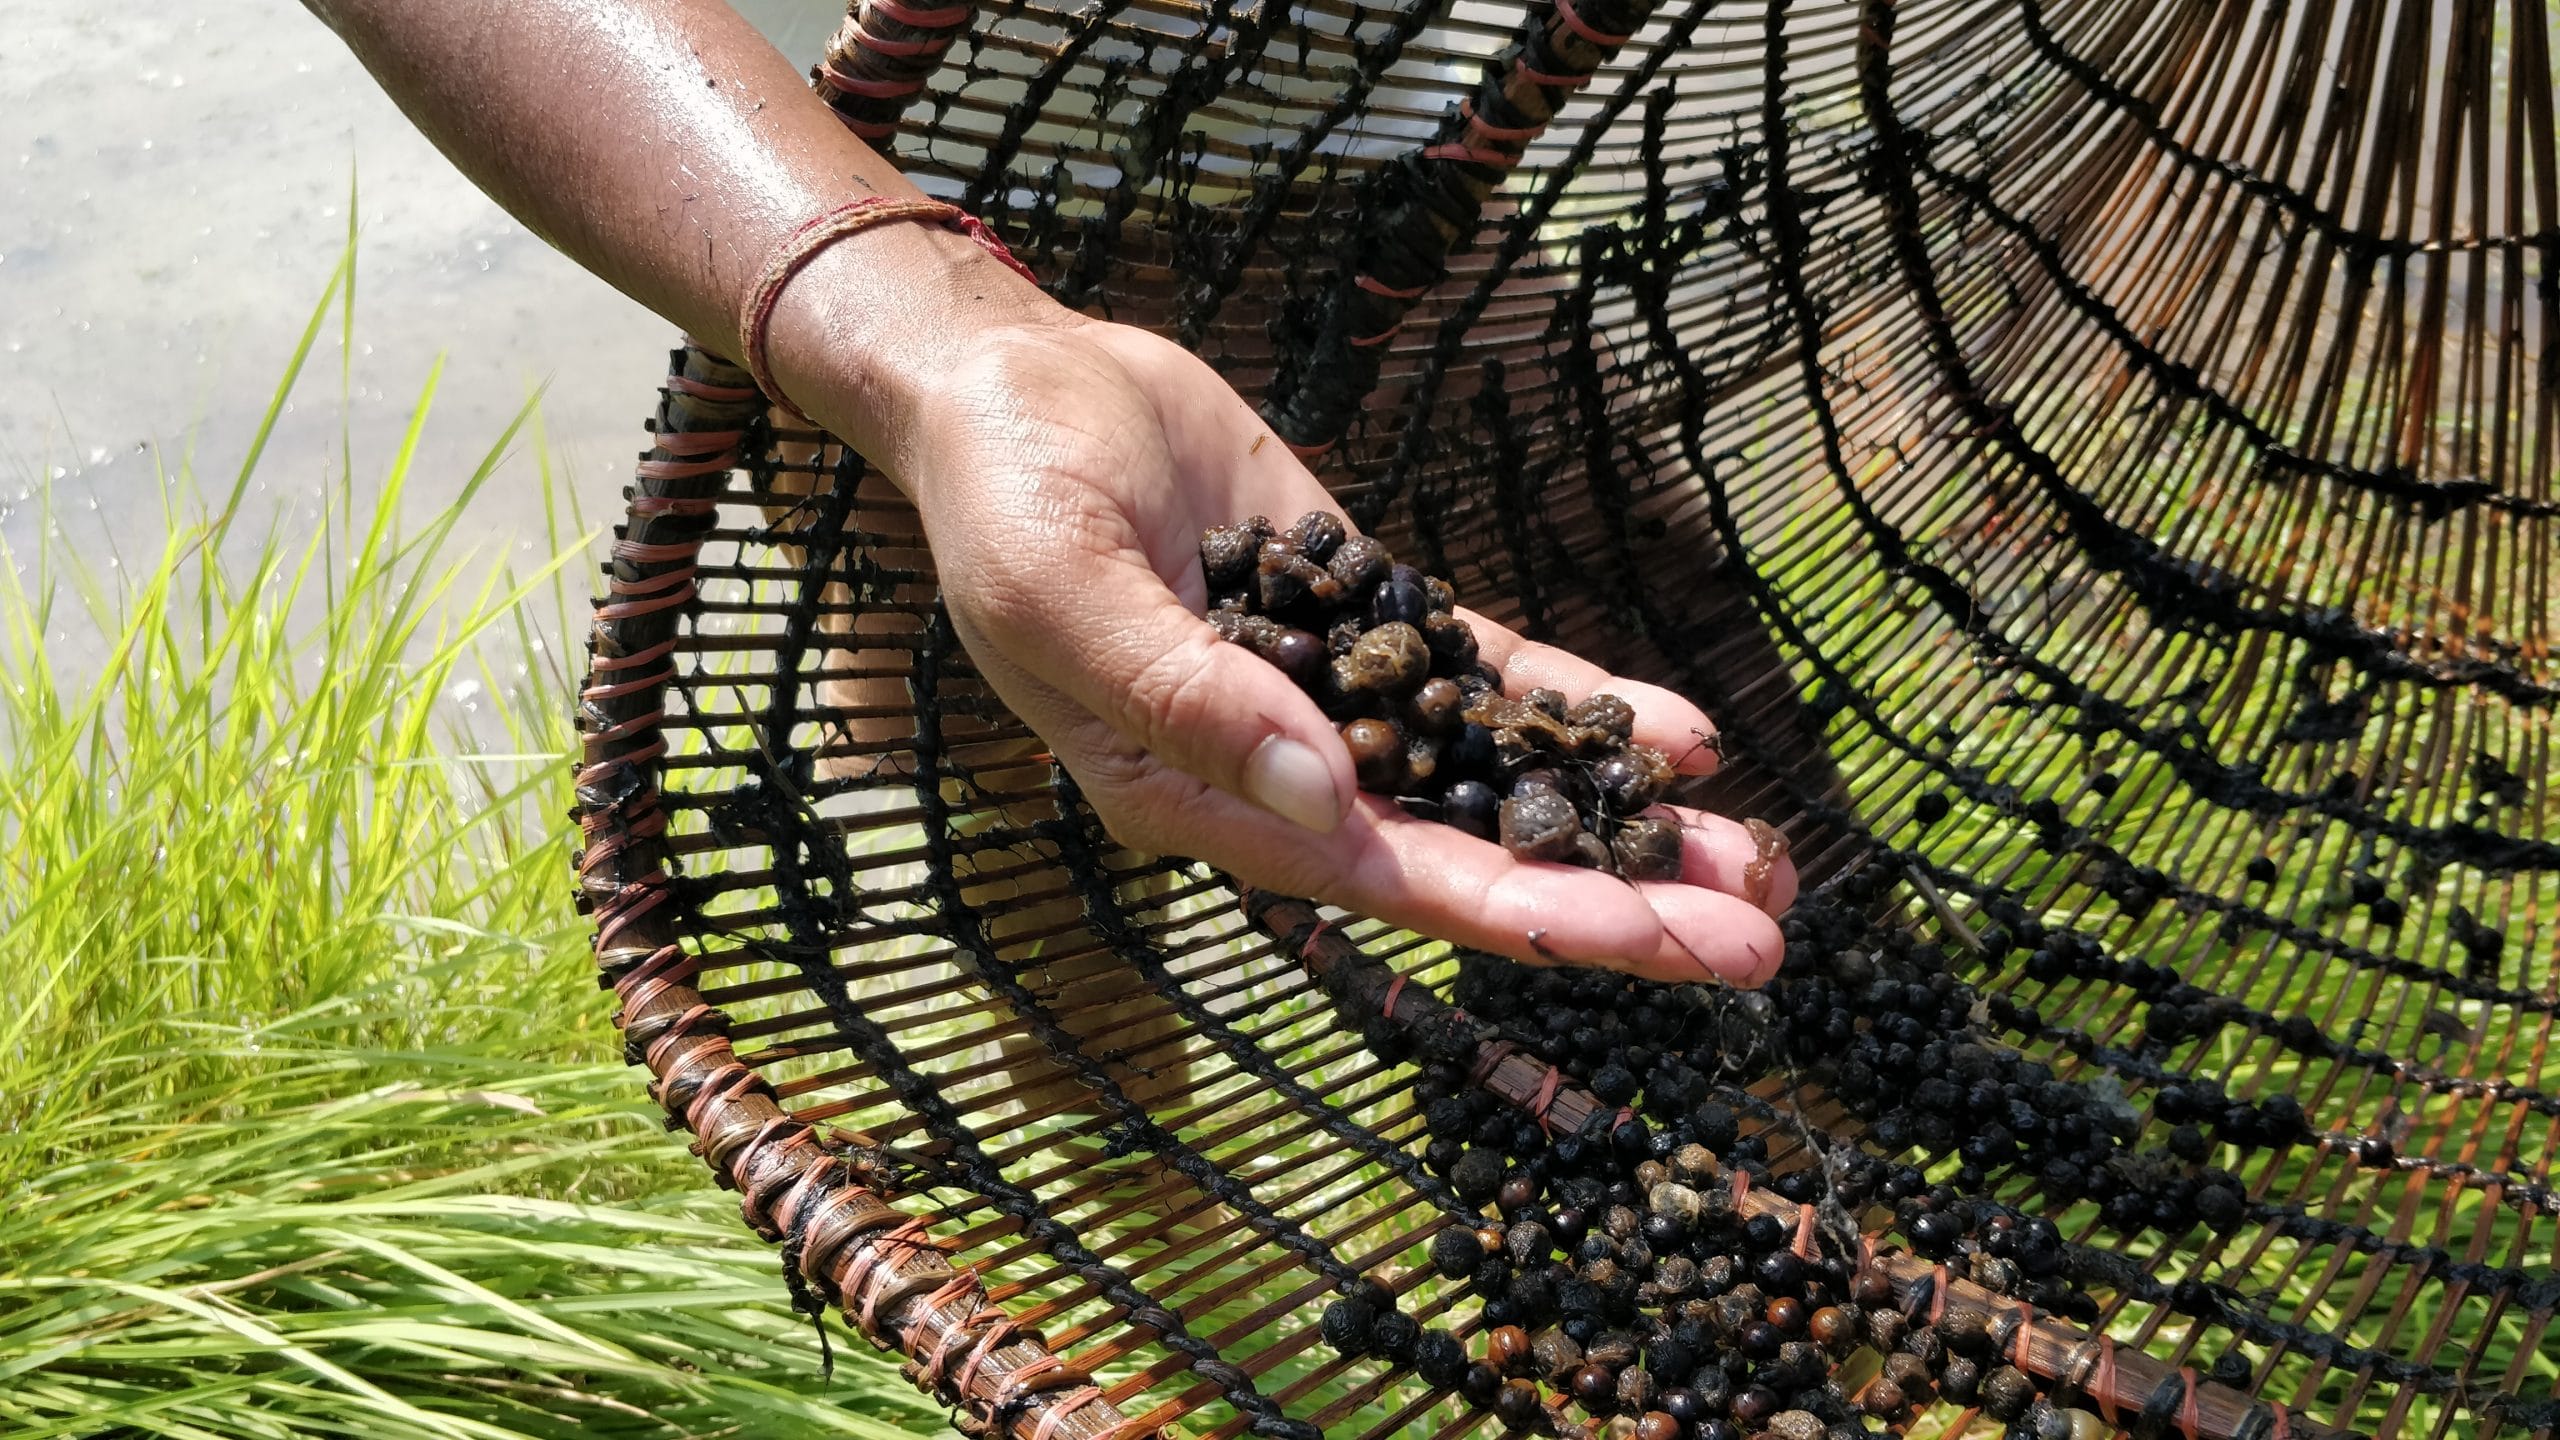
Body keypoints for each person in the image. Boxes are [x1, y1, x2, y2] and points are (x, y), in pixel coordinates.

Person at [303, 0, 1795, 986]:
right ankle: (1170, 1303)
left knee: (1704, 756)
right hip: (818, 220)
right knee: (1038, 892)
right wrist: (927, 339)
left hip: (1402, 167)